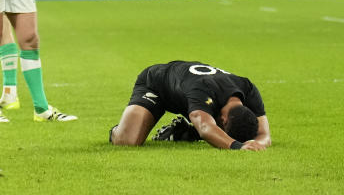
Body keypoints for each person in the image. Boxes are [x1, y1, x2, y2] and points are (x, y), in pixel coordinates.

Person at [108, 60, 271, 151]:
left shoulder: (248, 89)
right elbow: (206, 127)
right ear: (224, 120)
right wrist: (237, 146)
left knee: (206, 120)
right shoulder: (203, 91)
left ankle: (184, 132)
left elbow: (264, 135)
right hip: (156, 84)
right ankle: (118, 130)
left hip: (187, 93)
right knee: (128, 141)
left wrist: (257, 144)